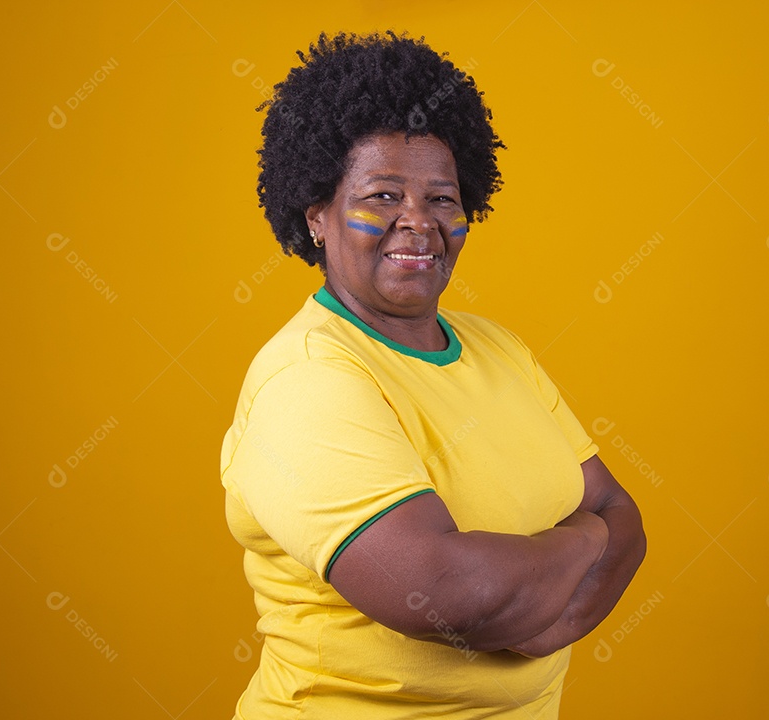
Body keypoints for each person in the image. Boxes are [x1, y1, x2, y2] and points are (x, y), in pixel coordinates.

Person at [220, 31, 646, 720]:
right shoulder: (308, 382)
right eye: (382, 196)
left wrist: (539, 611)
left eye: (443, 199)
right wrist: (586, 542)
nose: (418, 221)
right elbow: (445, 594)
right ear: (317, 216)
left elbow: (625, 516)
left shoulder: (498, 348)